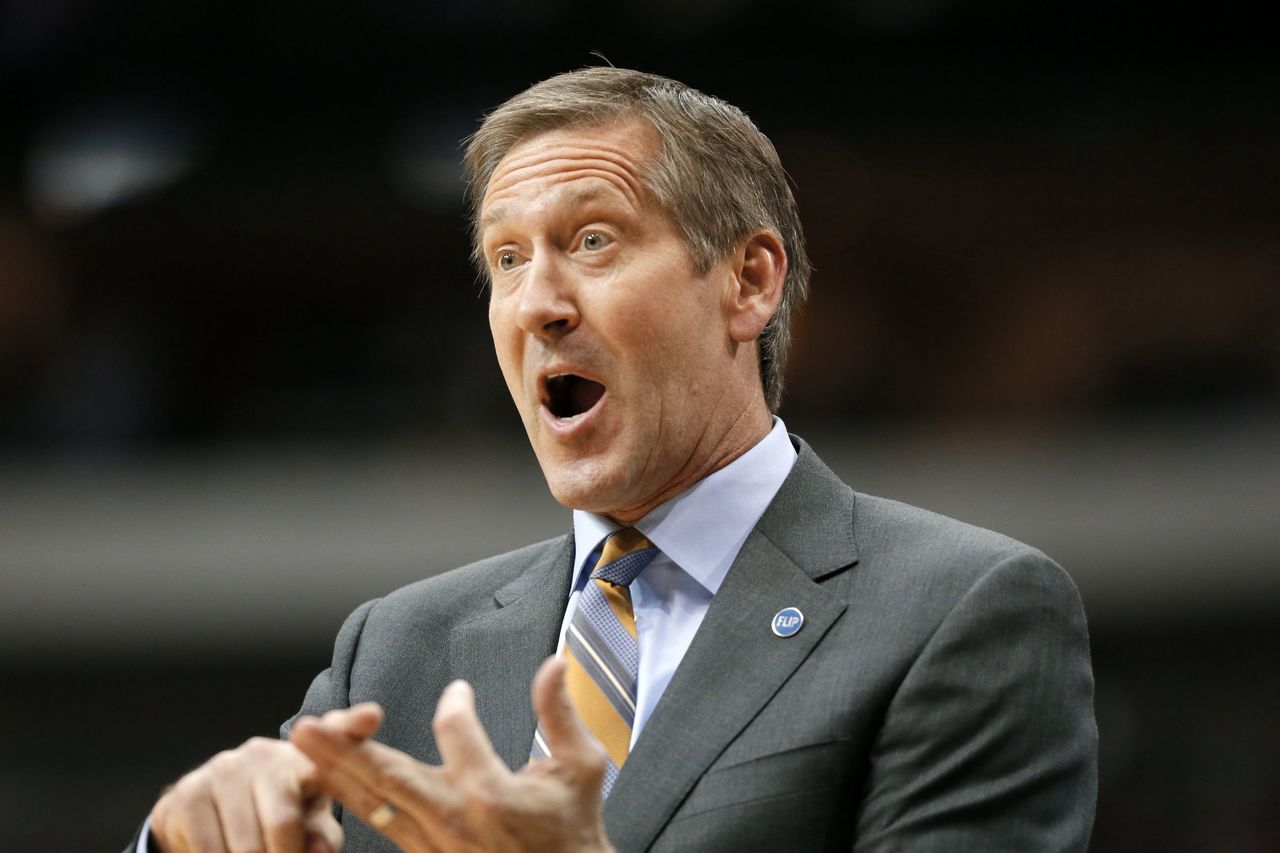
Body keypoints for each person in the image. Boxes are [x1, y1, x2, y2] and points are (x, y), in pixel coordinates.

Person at [133, 67, 1097, 852]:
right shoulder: (395, 649)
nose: (536, 303)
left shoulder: (960, 610)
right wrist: (182, 832)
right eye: (506, 259)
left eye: (592, 241)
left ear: (748, 281)